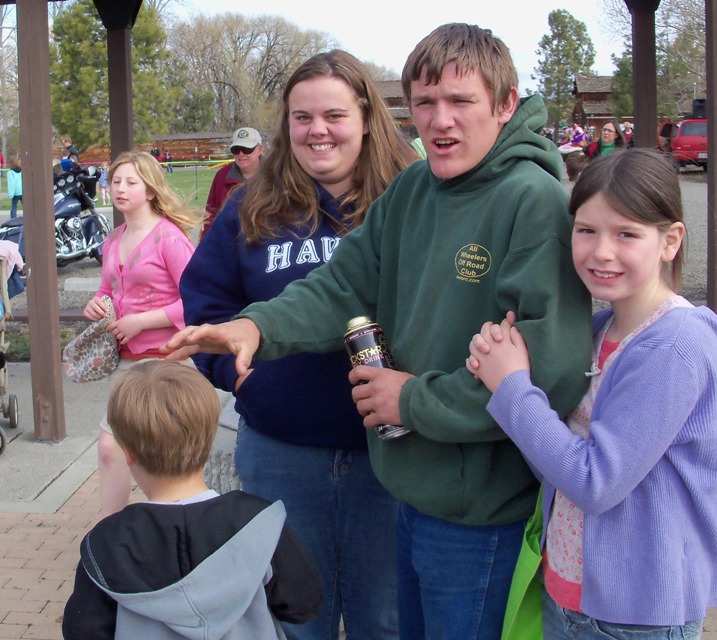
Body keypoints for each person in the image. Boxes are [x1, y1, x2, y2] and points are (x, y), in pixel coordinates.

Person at [167, 23, 591, 640]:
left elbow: (546, 375)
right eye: (424, 103)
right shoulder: (416, 189)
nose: (440, 121)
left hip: (477, 515)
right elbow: (342, 287)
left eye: (460, 101)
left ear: (505, 104)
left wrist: (410, 401)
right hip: (409, 493)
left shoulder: (534, 202)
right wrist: (256, 327)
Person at [180, 49, 417, 640]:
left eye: (334, 115)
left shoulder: (411, 201)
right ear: (285, 125)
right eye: (301, 117)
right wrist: (237, 375)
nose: (318, 131)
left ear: (366, 117)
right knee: (292, 621)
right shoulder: (249, 206)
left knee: (384, 621)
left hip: (389, 459)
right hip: (281, 454)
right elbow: (206, 305)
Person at [466, 148, 717, 640]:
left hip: (635, 613)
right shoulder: (598, 330)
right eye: (586, 230)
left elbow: (594, 482)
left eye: (627, 233)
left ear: (670, 240)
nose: (601, 251)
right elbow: (553, 460)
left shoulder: (675, 345)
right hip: (568, 591)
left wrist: (512, 386)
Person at [62, 360, 324, 640]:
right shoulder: (258, 524)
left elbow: (83, 630)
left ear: (127, 452)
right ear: (209, 436)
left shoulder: (108, 542)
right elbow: (303, 603)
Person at [85, 150, 202, 518]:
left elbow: (198, 299)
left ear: (150, 190)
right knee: (110, 447)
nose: (120, 189)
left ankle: (177, 523)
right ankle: (109, 531)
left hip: (168, 358)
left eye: (130, 182)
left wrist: (142, 320)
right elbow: (108, 289)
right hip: (126, 360)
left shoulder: (169, 238)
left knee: (166, 450)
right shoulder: (113, 239)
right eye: (115, 181)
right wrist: (97, 304)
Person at [202, 127, 264, 238]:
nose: (241, 154)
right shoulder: (222, 176)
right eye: (236, 149)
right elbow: (210, 216)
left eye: (247, 149)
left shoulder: (276, 174)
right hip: (230, 245)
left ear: (259, 149)